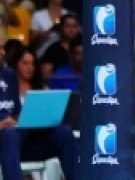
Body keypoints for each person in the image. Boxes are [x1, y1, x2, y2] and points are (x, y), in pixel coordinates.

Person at [0, 40, 78, 180]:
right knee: (9, 134)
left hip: (18, 142)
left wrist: (35, 119)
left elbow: (16, 114)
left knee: (64, 132)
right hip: (5, 140)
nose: (3, 52)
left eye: (2, 48)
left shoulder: (10, 75)